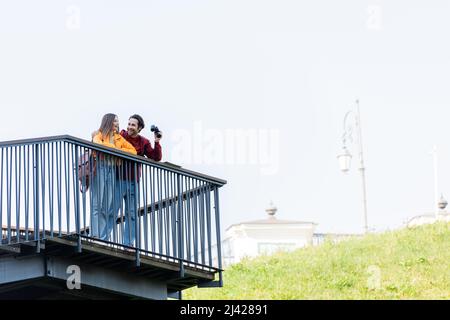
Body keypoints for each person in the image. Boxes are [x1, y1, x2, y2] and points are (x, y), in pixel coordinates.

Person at [115, 114, 162, 247]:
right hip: (118, 178)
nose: (129, 127)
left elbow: (155, 157)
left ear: (139, 128)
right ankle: (103, 238)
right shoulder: (121, 136)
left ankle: (128, 244)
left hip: (133, 181)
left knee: (131, 214)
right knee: (113, 210)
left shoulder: (144, 141)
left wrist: (157, 142)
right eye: (129, 124)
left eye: (133, 125)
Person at [91, 113, 137, 242]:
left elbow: (133, 151)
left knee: (107, 205)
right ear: (109, 122)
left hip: (112, 169)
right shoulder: (99, 134)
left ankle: (102, 237)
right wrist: (116, 149)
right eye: (115, 121)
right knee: (97, 204)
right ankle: (95, 234)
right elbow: (97, 143)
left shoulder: (118, 138)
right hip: (100, 167)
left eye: (117, 121)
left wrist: (117, 150)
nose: (117, 123)